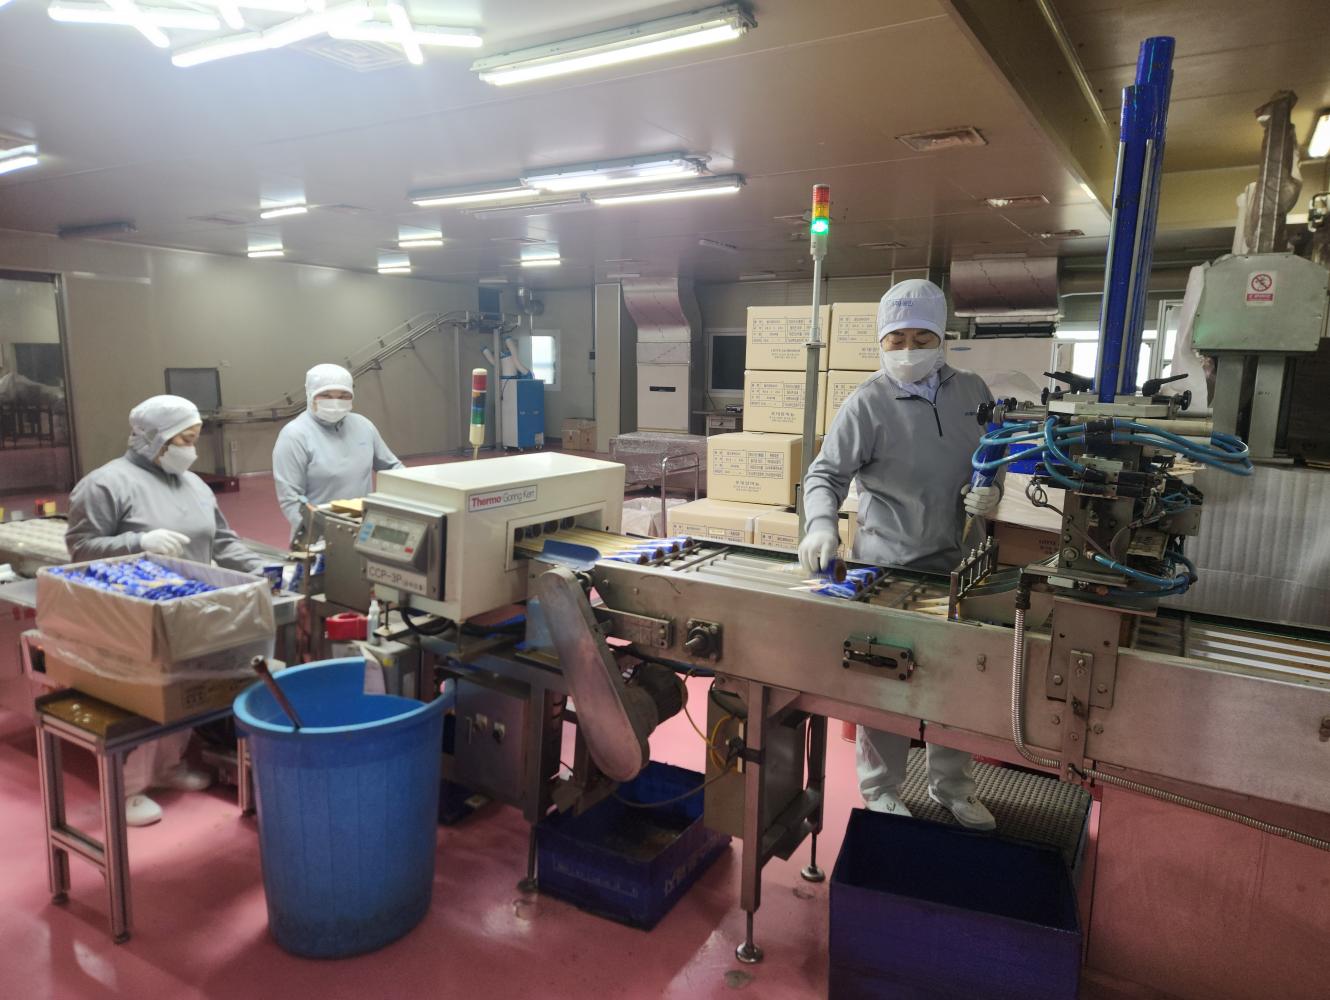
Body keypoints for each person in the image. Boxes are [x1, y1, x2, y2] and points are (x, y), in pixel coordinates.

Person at [800, 279, 1001, 831]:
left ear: (941, 337)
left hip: (959, 562)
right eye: (896, 339)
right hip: (888, 564)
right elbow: (825, 475)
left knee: (955, 681)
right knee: (884, 678)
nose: (908, 349)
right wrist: (820, 526)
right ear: (881, 341)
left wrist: (992, 491)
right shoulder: (868, 403)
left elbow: (994, 453)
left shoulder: (973, 392)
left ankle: (952, 786)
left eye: (921, 337)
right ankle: (881, 788)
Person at [66, 394, 268, 827]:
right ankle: (127, 788)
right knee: (142, 696)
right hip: (134, 615)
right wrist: (137, 542)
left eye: (195, 439)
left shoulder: (194, 485)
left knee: (185, 690)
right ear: (153, 439)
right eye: (184, 440)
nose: (191, 450)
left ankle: (168, 765)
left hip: (189, 606)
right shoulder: (105, 485)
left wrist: (261, 571)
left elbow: (221, 540)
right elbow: (80, 550)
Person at [272, 364, 404, 540]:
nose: (335, 402)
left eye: (343, 396)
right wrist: (320, 535)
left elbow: (393, 467)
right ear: (310, 395)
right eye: (326, 395)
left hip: (364, 530)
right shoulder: (295, 435)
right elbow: (291, 499)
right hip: (318, 537)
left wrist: (421, 490)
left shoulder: (363, 426)